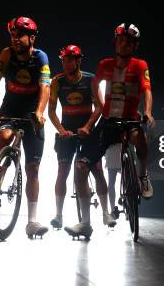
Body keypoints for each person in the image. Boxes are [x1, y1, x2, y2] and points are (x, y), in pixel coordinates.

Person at [64, 23, 154, 239]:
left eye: (130, 42)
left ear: (135, 46)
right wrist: (100, 107)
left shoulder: (141, 65)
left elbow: (147, 90)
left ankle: (142, 176)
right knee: (81, 166)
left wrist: (148, 112)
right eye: (121, 40)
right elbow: (95, 85)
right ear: (115, 42)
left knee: (140, 140)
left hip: (130, 120)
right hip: (108, 122)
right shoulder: (105, 64)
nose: (125, 44)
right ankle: (85, 223)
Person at [0, 16, 51, 239]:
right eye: (12, 35)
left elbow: (45, 87)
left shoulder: (40, 57)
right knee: (5, 137)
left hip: (32, 109)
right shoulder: (7, 54)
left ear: (31, 38)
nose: (14, 39)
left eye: (19, 36)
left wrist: (40, 112)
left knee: (33, 169)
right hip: (11, 107)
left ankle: (32, 222)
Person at [47, 45, 115, 230]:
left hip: (87, 131)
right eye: (63, 60)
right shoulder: (57, 81)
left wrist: (87, 126)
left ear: (78, 61)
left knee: (98, 170)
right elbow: (51, 111)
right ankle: (58, 216)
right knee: (62, 171)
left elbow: (100, 107)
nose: (65, 63)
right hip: (67, 132)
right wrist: (61, 130)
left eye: (69, 60)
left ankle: (105, 213)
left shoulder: (90, 79)